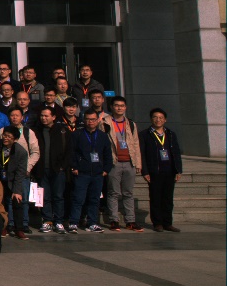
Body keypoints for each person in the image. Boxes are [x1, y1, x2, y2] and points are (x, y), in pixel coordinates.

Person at [102, 96, 143, 232]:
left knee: (128, 193)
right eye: (116, 105)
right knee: (113, 192)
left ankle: (130, 220)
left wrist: (138, 163)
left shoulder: (130, 124)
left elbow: (136, 143)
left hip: (129, 161)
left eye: (122, 105)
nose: (119, 108)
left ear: (125, 107)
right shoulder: (105, 122)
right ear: (111, 107)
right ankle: (114, 220)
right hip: (114, 162)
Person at [139, 108, 183, 233]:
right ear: (151, 119)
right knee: (155, 198)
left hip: (169, 170)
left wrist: (178, 170)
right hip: (154, 171)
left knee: (168, 199)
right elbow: (142, 154)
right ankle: (157, 223)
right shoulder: (145, 134)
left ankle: (168, 223)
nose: (158, 120)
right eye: (155, 117)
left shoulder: (170, 134)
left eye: (161, 118)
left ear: (165, 120)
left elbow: (176, 153)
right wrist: (145, 172)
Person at [67, 111, 112, 233]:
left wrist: (106, 169)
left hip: (98, 173)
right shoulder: (77, 134)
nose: (90, 122)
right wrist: (74, 167)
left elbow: (107, 153)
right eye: (88, 119)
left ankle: (92, 223)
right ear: (84, 120)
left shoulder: (102, 136)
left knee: (94, 199)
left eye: (93, 119)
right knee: (78, 199)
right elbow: (71, 152)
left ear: (97, 120)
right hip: (82, 172)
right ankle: (73, 222)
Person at [34, 107, 72, 233]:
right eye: (42, 115)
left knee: (58, 196)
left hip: (58, 169)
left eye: (46, 116)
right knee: (44, 196)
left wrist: (63, 166)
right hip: (42, 169)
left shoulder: (62, 131)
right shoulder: (37, 130)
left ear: (53, 117)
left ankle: (59, 221)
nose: (43, 118)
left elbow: (69, 150)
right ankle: (47, 220)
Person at [0, 127, 29, 240]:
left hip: (13, 180)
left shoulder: (21, 152)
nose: (6, 138)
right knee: (0, 203)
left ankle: (19, 229)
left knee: (17, 201)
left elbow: (20, 173)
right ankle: (3, 226)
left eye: (9, 137)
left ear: (15, 139)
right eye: (5, 135)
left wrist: (17, 191)